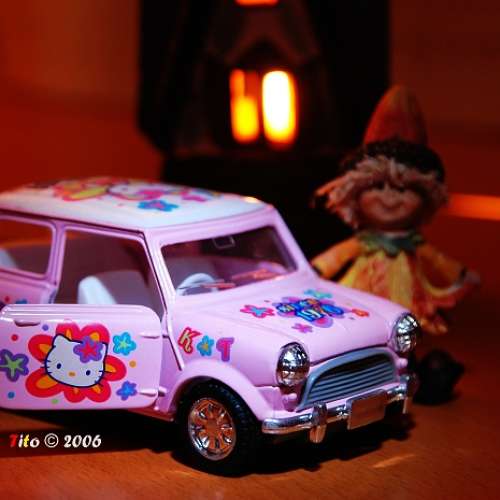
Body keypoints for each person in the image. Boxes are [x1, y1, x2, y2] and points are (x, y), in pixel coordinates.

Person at [312, 86, 478, 336]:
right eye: (378, 186)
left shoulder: (414, 245)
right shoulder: (362, 244)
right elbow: (329, 261)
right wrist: (313, 272)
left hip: (408, 303)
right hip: (360, 302)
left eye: (402, 189)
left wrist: (462, 277)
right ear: (355, 194)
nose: (389, 198)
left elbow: (444, 264)